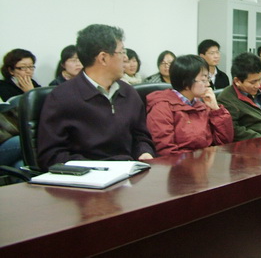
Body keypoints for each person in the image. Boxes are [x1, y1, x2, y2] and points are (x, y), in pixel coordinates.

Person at [37, 24, 155, 170]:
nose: (125, 58)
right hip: (86, 179)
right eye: (121, 52)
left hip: (128, 174)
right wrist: (99, 168)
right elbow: (50, 156)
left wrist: (144, 152)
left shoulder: (128, 93)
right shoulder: (61, 98)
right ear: (103, 58)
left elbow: (141, 136)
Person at [146, 55, 233, 156]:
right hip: (181, 163)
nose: (208, 84)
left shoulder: (201, 105)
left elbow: (224, 142)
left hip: (206, 161)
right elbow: (166, 151)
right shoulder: (162, 107)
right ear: (186, 83)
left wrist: (216, 110)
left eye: (208, 78)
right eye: (203, 80)